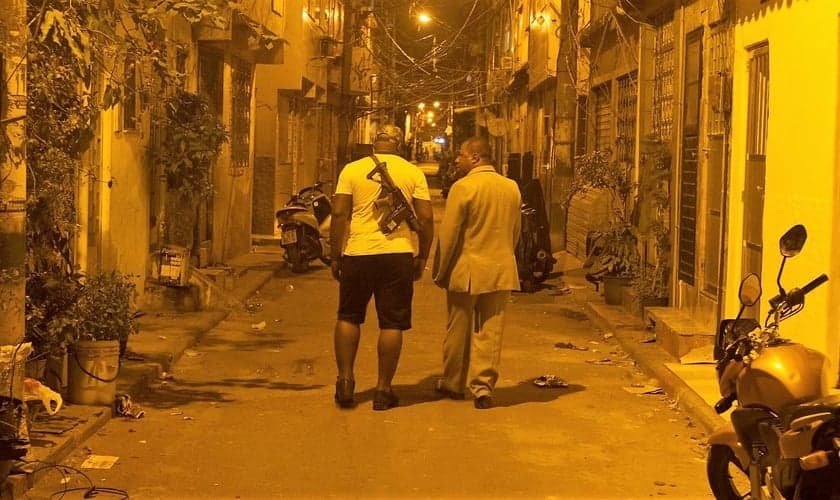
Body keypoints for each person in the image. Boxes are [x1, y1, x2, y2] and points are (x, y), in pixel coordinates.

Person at [329, 124, 434, 411]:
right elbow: (425, 219)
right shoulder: (413, 173)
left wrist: (335, 255)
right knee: (391, 323)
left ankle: (346, 381)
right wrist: (422, 256)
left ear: (374, 143)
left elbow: (339, 213)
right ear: (400, 144)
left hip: (358, 252)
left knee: (349, 316)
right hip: (397, 255)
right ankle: (383, 390)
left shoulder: (351, 170)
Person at [432, 136, 521, 409]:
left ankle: (453, 383)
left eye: (460, 154)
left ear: (475, 157)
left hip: (467, 269)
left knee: (458, 328)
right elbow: (515, 231)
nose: (457, 160)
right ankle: (483, 388)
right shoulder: (511, 187)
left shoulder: (464, 187)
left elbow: (449, 235)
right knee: (491, 331)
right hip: (500, 268)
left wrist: (440, 270)